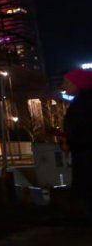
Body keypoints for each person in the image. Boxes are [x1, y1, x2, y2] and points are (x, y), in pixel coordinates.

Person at [63, 69, 92, 222]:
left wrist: (70, 141)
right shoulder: (83, 101)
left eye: (67, 82)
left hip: (86, 158)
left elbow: (80, 130)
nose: (63, 86)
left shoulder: (83, 104)